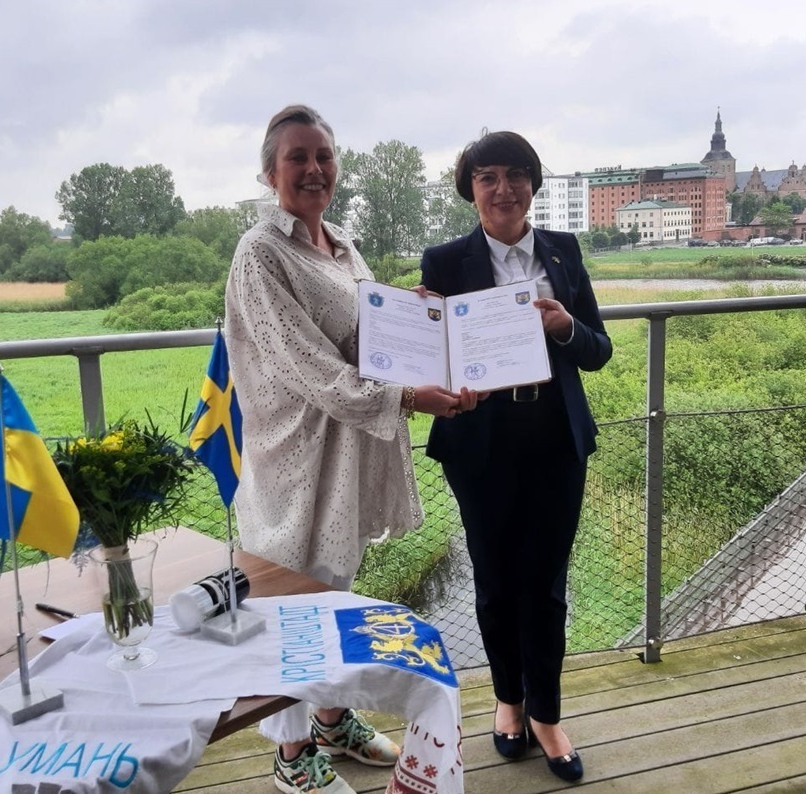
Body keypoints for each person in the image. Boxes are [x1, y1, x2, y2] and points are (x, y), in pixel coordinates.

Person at [224, 104, 477, 794]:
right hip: (295, 457)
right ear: (270, 172)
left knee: (333, 591)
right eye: (297, 158)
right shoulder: (260, 252)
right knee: (291, 609)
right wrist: (408, 396)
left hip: (344, 452)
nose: (314, 169)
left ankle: (332, 721)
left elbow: (362, 335)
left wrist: (410, 313)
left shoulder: (341, 245)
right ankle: (291, 753)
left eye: (324, 156)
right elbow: (305, 365)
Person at [419, 130, 613, 783]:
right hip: (480, 445)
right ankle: (508, 700)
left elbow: (598, 349)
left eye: (516, 174)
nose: (503, 189)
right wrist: (420, 326)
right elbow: (430, 358)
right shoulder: (445, 262)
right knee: (495, 580)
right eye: (487, 177)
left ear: (533, 183)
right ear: (470, 190)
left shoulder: (563, 250)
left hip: (556, 438)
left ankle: (547, 715)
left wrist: (565, 327)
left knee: (547, 585)